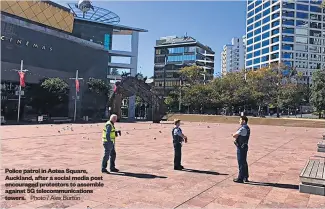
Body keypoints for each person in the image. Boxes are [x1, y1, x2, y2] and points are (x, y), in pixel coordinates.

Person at [232, 116, 250, 183]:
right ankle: (245, 177)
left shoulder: (243, 128)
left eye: (240, 120)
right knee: (244, 162)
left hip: (241, 147)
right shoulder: (247, 128)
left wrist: (233, 134)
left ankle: (241, 178)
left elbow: (235, 135)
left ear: (244, 121)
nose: (239, 121)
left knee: (241, 162)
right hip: (244, 146)